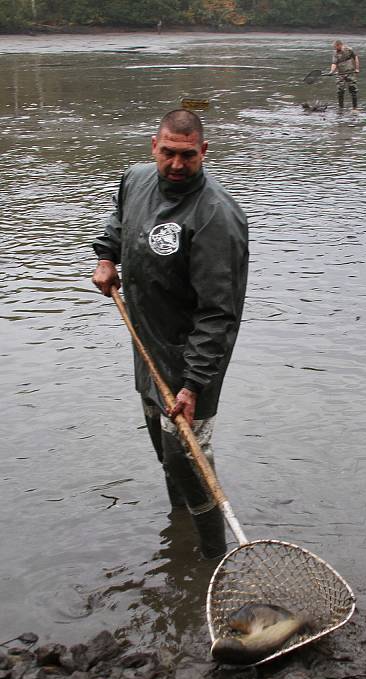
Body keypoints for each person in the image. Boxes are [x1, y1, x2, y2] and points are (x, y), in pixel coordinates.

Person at [92, 109, 249, 560]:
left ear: (203, 152)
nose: (176, 165)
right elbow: (119, 220)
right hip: (147, 343)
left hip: (194, 356)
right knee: (164, 448)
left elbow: (219, 313)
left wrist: (192, 383)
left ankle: (213, 558)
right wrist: (107, 256)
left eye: (187, 156)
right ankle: (180, 527)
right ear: (153, 147)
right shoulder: (135, 178)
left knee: (188, 458)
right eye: (168, 154)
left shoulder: (216, 215)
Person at [329, 39, 360, 110]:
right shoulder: (335, 53)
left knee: (353, 89)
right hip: (340, 73)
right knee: (340, 90)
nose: (334, 48)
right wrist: (331, 71)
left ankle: (355, 108)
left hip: (350, 72)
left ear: (339, 45)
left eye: (335, 47)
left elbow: (355, 58)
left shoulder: (349, 50)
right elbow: (334, 63)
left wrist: (357, 68)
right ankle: (341, 108)